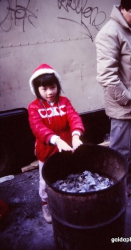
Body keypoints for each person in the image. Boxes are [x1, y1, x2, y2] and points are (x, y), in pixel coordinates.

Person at [95, 0, 131, 177]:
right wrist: (126, 99)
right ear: (122, 9)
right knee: (120, 146)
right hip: (124, 103)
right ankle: (117, 178)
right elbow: (106, 75)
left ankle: (130, 165)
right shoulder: (110, 33)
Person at [28, 64, 85, 223]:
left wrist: (75, 135)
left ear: (58, 86)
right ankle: (46, 203)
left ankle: (65, 199)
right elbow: (37, 128)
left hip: (66, 149)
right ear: (36, 89)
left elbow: (74, 117)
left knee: (66, 174)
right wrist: (56, 140)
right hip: (46, 152)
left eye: (52, 87)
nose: (49, 92)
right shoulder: (34, 108)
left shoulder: (65, 102)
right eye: (44, 89)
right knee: (44, 180)